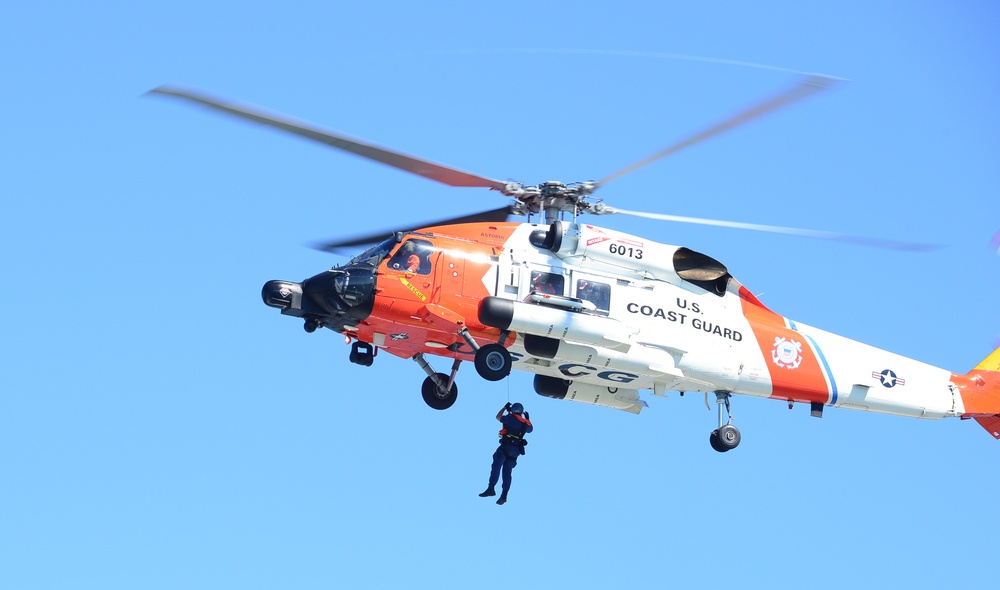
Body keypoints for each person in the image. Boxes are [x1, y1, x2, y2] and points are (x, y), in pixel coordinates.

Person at [479, 402, 533, 505]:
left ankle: (491, 488)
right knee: (507, 472)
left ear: (512, 410)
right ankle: (504, 495)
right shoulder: (525, 423)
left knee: (496, 465)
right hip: (515, 452)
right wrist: (528, 419)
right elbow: (530, 429)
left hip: (506, 447)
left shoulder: (510, 419)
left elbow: (498, 417)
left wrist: (504, 407)